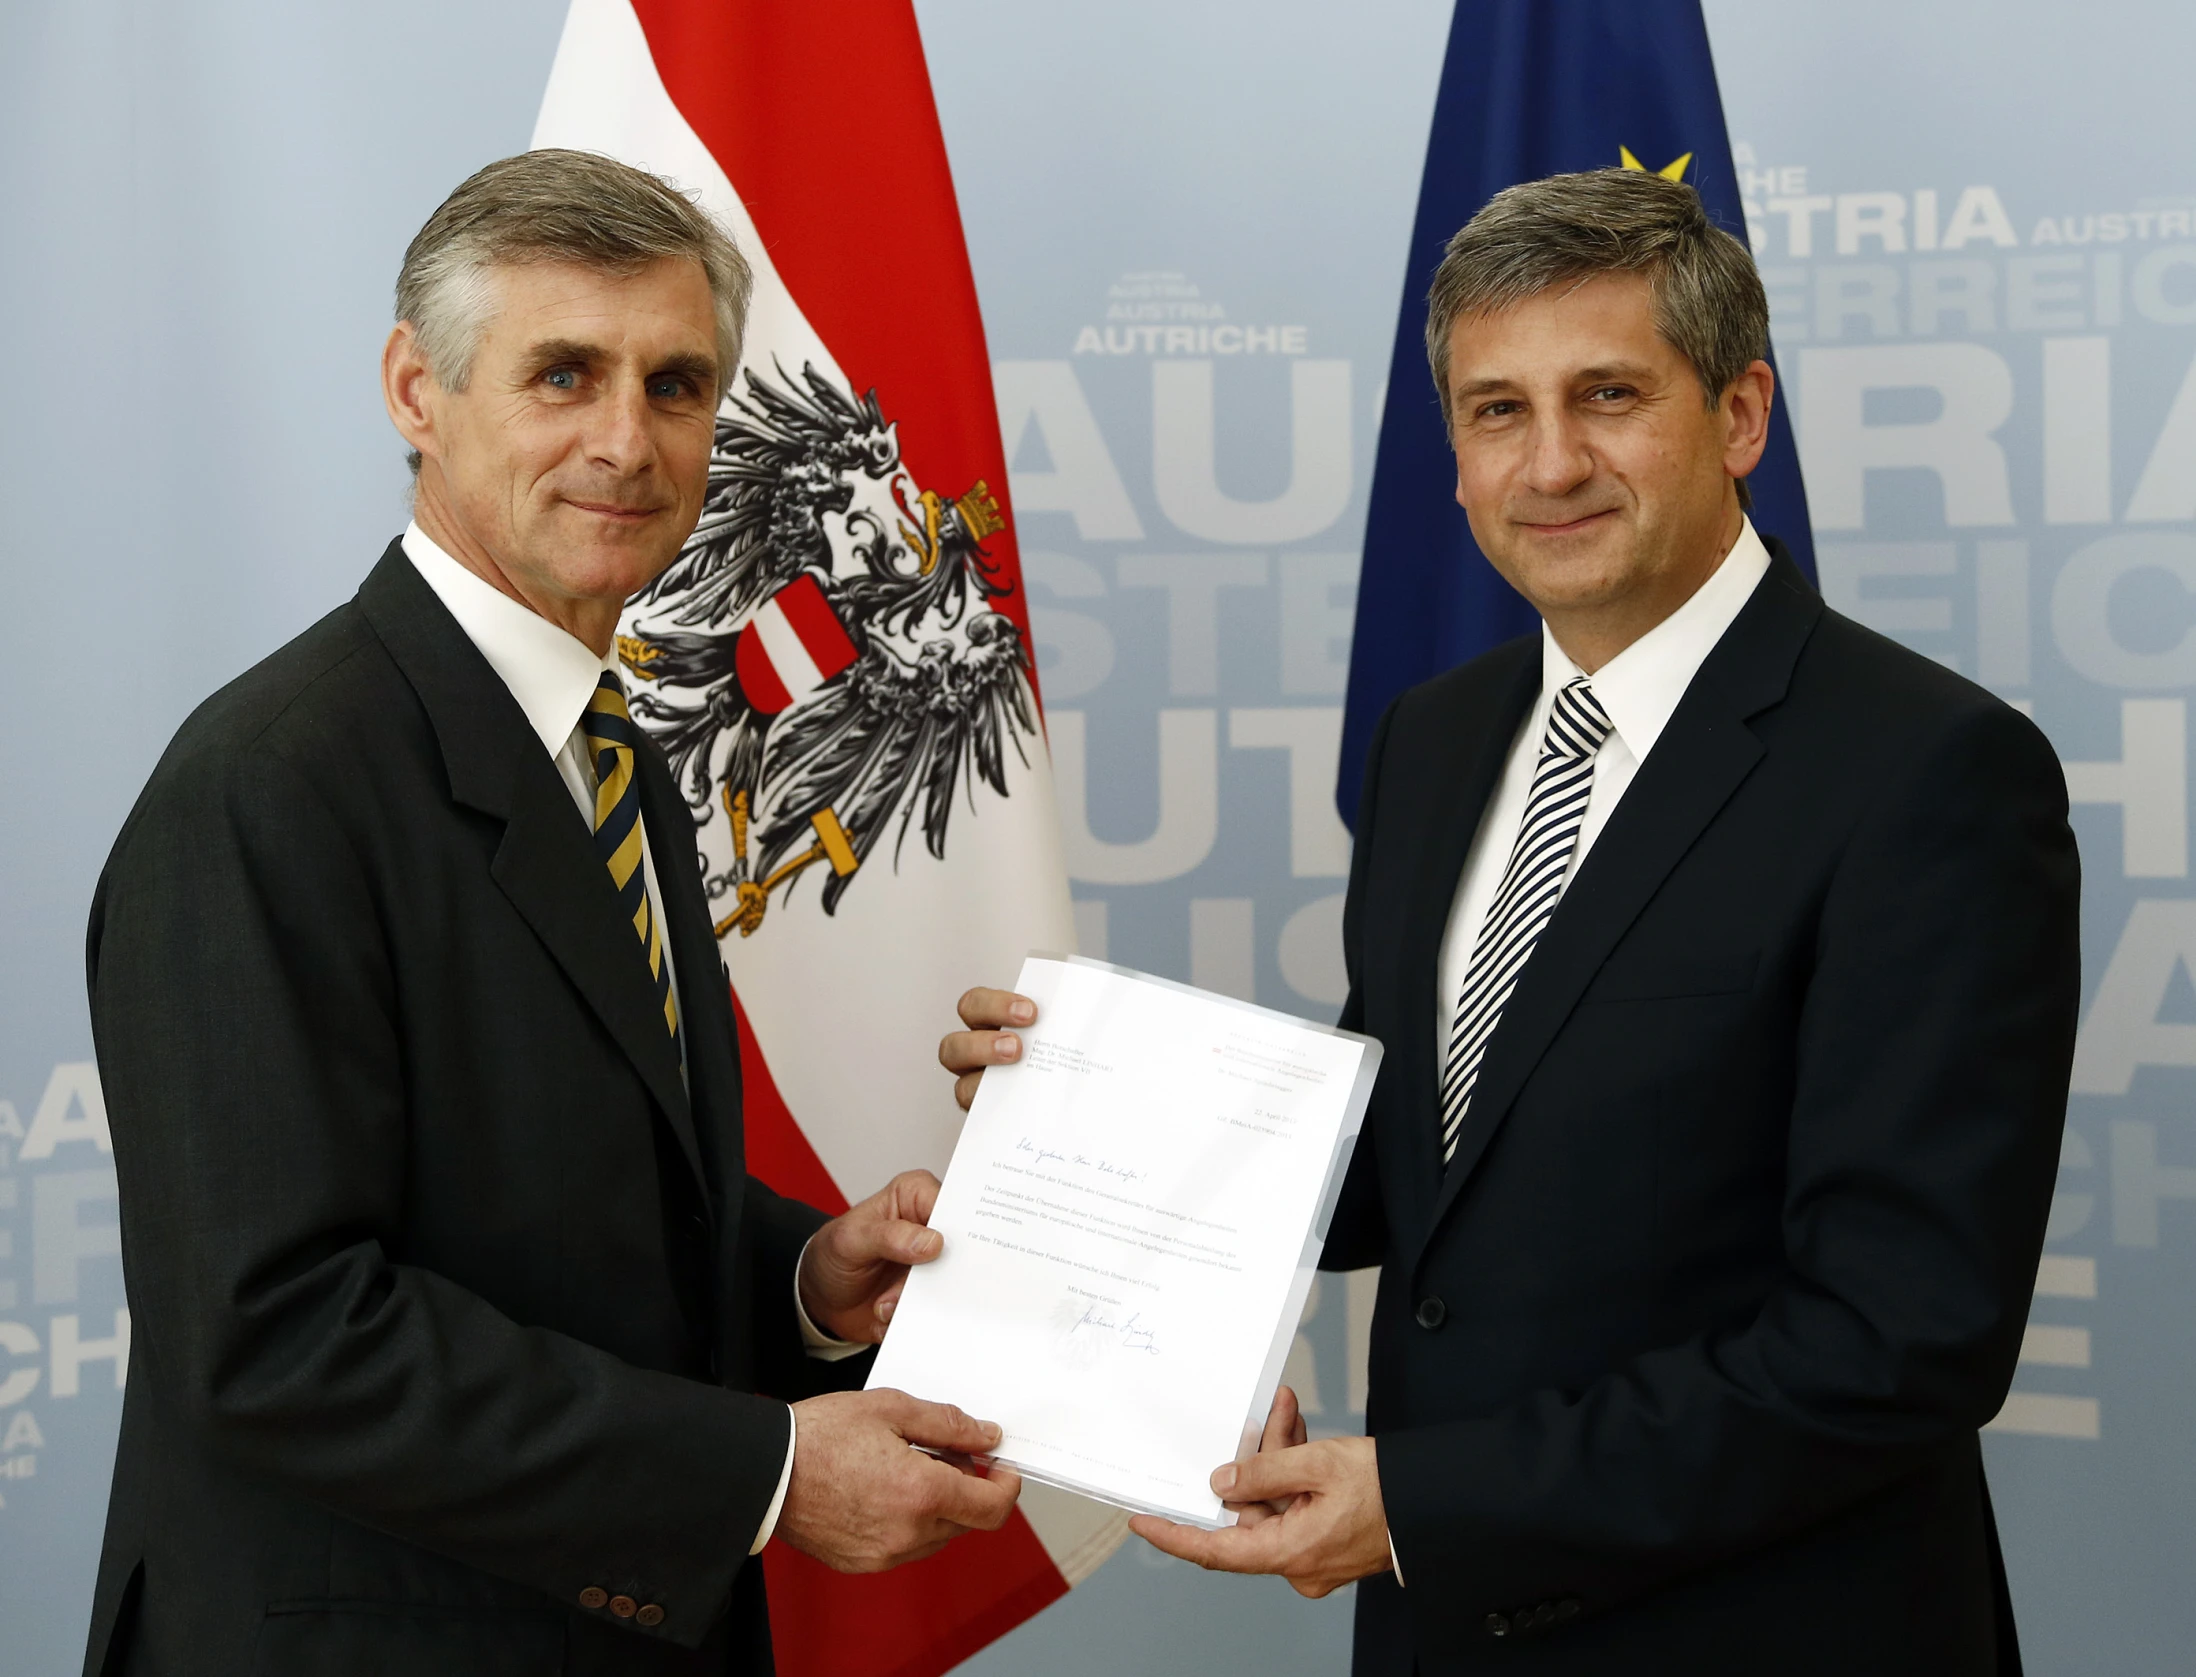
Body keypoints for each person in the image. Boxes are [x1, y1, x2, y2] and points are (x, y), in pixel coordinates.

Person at [944, 169, 2079, 1674]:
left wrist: (1417, 1502)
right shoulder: (1437, 738)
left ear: (1739, 416)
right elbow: (1419, 1155)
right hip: (1446, 1638)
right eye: (1495, 410)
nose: (1550, 464)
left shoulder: (1929, 770)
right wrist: (1086, 1105)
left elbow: (1897, 1345)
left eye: (1607, 395)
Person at [82, 149, 1018, 1677]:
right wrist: (763, 1475)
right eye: (564, 375)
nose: (625, 441)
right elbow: (278, 1336)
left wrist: (800, 1278)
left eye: (675, 384)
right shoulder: (270, 786)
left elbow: (550, 1211)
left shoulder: (610, 750)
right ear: (415, 390)